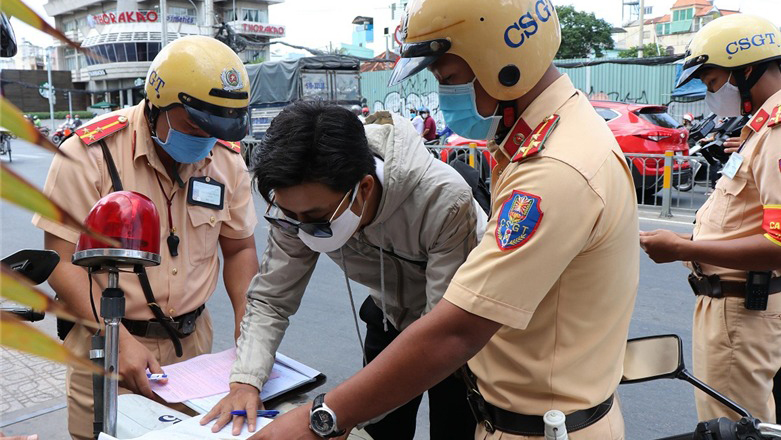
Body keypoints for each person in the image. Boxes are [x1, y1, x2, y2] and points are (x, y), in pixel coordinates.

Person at [252, 0, 639, 438]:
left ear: (503, 64)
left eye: (449, 78)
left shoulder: (554, 170)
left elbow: (455, 331)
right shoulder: (544, 139)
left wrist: (323, 418)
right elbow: (273, 294)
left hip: (540, 427)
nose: (444, 95)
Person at [201, 100, 487, 439]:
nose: (302, 228)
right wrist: (245, 381)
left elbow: (441, 338)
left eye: (317, 219)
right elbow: (271, 300)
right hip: (388, 315)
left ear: (363, 189)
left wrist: (329, 414)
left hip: (457, 329)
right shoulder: (298, 209)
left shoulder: (443, 201)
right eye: (292, 216)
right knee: (381, 429)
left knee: (454, 426)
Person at [33, 35, 259, 440]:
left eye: (217, 129)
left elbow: (240, 248)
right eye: (194, 125)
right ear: (157, 103)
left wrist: (250, 340)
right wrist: (114, 334)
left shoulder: (226, 161)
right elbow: (59, 261)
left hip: (192, 350)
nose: (205, 138)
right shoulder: (89, 155)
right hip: (105, 344)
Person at [640, 14, 781, 423]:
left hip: (740, 311)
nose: (712, 94)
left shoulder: (775, 131)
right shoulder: (761, 130)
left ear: (747, 70)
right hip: (737, 303)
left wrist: (684, 248)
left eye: (716, 82)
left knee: (734, 429)